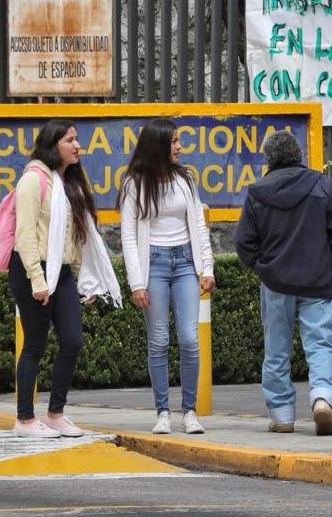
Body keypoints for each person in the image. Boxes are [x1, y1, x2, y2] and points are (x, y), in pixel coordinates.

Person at [234, 130, 332, 435]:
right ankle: (322, 399)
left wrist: (264, 267)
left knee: (276, 350)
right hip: (318, 281)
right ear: (299, 155)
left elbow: (243, 243)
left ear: (268, 159)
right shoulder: (321, 185)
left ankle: (282, 415)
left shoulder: (257, 192)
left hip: (276, 284)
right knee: (320, 344)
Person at [119, 118, 215, 435]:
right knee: (158, 340)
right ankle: (163, 412)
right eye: (174, 141)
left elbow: (199, 226)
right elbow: (129, 236)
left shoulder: (185, 179)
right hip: (154, 265)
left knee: (189, 339)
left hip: (185, 261)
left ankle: (189, 411)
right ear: (159, 144)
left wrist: (207, 268)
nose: (179, 146)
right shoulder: (135, 183)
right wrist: (137, 283)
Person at [10, 119, 100, 439]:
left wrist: (77, 278)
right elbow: (25, 236)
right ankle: (24, 419)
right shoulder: (33, 180)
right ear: (53, 145)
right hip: (32, 269)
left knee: (73, 340)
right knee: (35, 344)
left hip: (60, 273)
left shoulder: (69, 183)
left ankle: (55, 413)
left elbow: (73, 238)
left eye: (77, 139)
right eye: (70, 140)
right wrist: (37, 279)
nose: (77, 146)